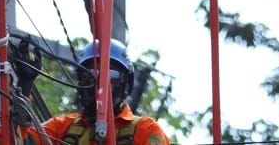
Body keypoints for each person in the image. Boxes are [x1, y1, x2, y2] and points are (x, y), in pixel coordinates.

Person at [20, 39, 169, 145]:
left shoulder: (145, 131)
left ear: (125, 85)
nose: (100, 82)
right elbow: (15, 140)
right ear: (79, 82)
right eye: (89, 74)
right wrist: (24, 86)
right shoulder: (61, 128)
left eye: (111, 74)